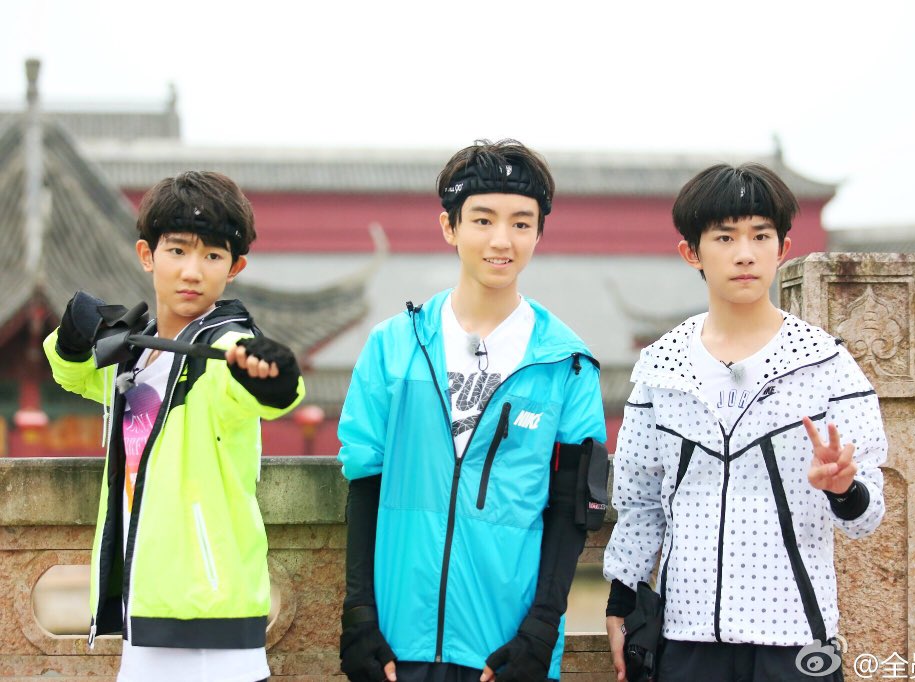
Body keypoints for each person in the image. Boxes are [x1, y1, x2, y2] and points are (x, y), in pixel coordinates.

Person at [603, 163, 888, 681]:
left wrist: (843, 489)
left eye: (760, 235)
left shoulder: (826, 364)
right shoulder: (661, 368)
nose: (745, 253)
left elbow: (867, 517)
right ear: (691, 252)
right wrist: (621, 600)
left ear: (783, 248)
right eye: (725, 237)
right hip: (686, 635)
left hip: (798, 633)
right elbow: (639, 500)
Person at [337, 139, 608, 682]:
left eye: (521, 223)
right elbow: (365, 480)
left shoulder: (567, 363)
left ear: (539, 233)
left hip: (506, 650)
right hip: (397, 643)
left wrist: (541, 629)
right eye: (483, 220)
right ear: (450, 227)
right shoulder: (394, 347)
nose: (502, 240)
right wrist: (360, 614)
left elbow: (573, 508)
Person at [43, 171, 305, 682]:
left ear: (235, 267)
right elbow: (76, 375)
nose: (192, 270)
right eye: (177, 250)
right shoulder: (137, 356)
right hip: (145, 617)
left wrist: (272, 373)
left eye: (213, 256)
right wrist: (71, 336)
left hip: (213, 629)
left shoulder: (222, 350)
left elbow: (268, 392)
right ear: (147, 255)